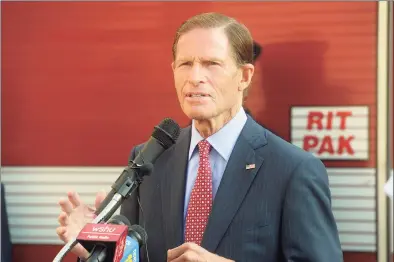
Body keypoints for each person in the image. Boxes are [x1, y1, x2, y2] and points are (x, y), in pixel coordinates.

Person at [56, 12, 343, 262]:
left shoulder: (293, 169)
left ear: (244, 77)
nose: (195, 77)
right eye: (185, 64)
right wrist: (96, 250)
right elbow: (133, 257)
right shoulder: (148, 160)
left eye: (211, 64)